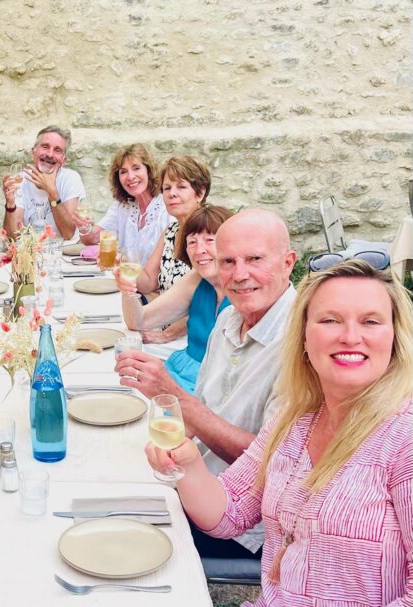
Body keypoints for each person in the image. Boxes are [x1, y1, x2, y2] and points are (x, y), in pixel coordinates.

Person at [150, 260, 413, 607]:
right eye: (330, 320)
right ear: (304, 339)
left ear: (395, 336)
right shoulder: (297, 420)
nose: (350, 337)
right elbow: (228, 512)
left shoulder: (404, 439)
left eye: (370, 321)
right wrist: (185, 465)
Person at [115, 209, 297, 558]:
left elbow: (270, 462)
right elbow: (198, 416)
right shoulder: (230, 317)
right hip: (195, 479)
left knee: (118, 537)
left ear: (288, 262)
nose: (239, 274)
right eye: (227, 261)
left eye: (254, 259)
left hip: (243, 522)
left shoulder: (302, 342)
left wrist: (173, 396)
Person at [115, 205, 232, 393]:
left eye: (209, 240)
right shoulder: (196, 279)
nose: (199, 250)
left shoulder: (245, 290)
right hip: (185, 371)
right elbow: (138, 321)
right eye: (192, 242)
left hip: (219, 385)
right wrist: (127, 290)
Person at [134, 155, 212, 359]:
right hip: (164, 330)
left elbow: (209, 301)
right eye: (167, 188)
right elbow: (147, 283)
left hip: (195, 339)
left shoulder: (210, 233)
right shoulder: (171, 231)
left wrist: (168, 334)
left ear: (200, 193)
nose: (172, 194)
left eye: (181, 187)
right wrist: (122, 268)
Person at [73, 143, 172, 266]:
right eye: (123, 172)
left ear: (149, 170)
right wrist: (83, 227)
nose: (130, 177)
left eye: (136, 168)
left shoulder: (167, 207)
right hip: (127, 279)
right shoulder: (122, 206)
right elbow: (92, 238)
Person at [2, 125, 86, 241]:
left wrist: (51, 191)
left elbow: (68, 234)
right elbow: (13, 237)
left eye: (57, 150)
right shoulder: (20, 179)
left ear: (64, 160)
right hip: (32, 253)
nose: (50, 154)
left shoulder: (70, 178)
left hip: (64, 254)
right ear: (33, 152)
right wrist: (10, 205)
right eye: (45, 147)